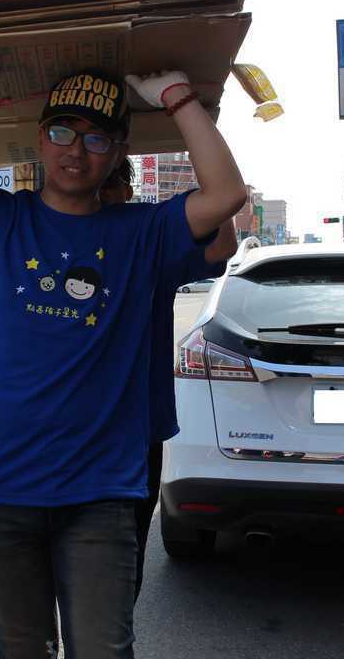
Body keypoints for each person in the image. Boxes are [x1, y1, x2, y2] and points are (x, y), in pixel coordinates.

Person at [0, 65, 246, 659]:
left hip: (100, 492)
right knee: (23, 650)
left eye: (96, 138)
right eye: (62, 132)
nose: (76, 151)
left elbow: (225, 200)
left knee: (102, 651)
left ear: (118, 153)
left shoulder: (142, 233)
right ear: (40, 140)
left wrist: (178, 98)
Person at [99, 162, 238, 600]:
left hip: (137, 431)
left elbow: (223, 245)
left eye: (112, 182)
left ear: (126, 188)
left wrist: (213, 195)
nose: (104, 193)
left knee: (121, 571)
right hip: (74, 434)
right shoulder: (52, 241)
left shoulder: (148, 243)